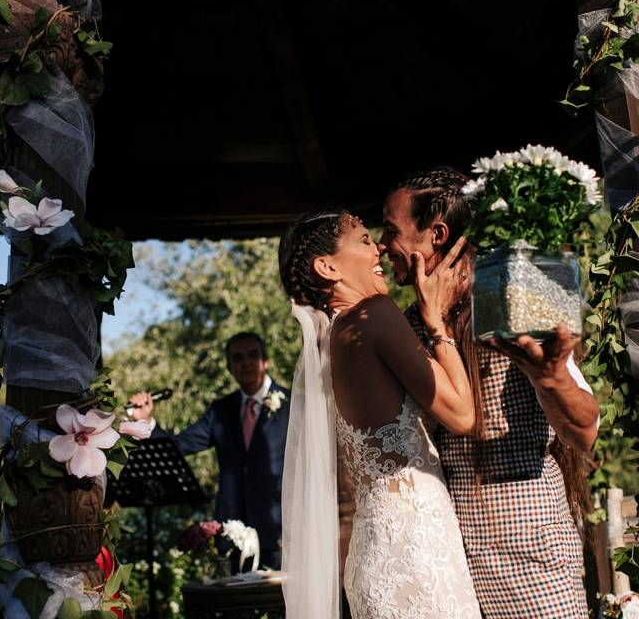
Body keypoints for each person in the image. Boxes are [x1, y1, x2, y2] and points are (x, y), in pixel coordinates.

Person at [379, 167, 600, 618]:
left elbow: (585, 433)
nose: (383, 246)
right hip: (452, 557)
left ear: (436, 234)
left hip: (532, 554)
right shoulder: (408, 323)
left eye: (391, 231)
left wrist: (552, 375)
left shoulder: (522, 291)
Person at [278, 210, 481, 619]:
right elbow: (462, 415)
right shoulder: (375, 316)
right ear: (328, 266)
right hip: (417, 557)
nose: (381, 248)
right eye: (365, 240)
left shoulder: (331, 339)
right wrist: (436, 320)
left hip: (376, 555)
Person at [128, 332, 289, 569]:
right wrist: (146, 421)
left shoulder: (293, 405)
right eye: (238, 358)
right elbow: (178, 446)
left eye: (253, 355)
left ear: (266, 361)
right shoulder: (221, 410)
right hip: (233, 533)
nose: (245, 362)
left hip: (280, 531)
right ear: (230, 368)